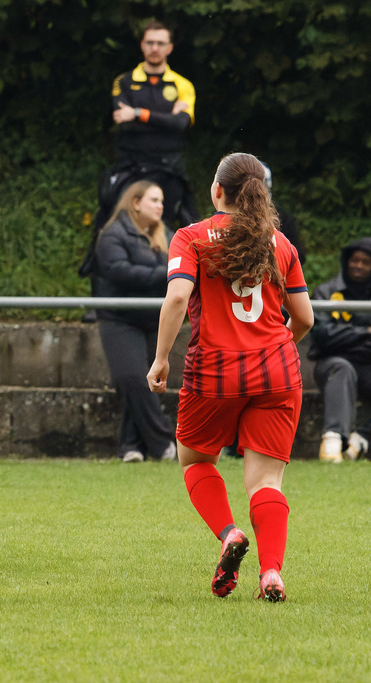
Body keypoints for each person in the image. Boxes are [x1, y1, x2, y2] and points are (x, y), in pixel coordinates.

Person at [147, 152, 313, 603]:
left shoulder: (191, 237)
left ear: (216, 191)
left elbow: (178, 297)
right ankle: (272, 574)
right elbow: (304, 319)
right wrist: (277, 349)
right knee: (265, 483)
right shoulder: (280, 243)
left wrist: (161, 359)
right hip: (277, 371)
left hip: (214, 373)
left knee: (197, 461)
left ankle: (229, 533)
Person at [94, 181, 176, 463]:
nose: (160, 206)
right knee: (131, 378)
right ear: (135, 202)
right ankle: (166, 438)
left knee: (147, 381)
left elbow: (185, 264)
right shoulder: (112, 234)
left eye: (162, 200)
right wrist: (164, 273)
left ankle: (131, 446)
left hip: (153, 318)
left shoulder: (166, 233)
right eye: (154, 200)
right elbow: (119, 271)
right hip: (119, 318)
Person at [106, 21, 197, 230]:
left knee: (185, 227)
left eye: (160, 43)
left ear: (170, 47)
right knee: (115, 224)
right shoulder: (124, 82)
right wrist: (167, 119)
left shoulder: (183, 85)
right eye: (150, 42)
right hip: (132, 166)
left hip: (169, 167)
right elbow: (124, 124)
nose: (155, 48)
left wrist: (137, 113)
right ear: (142, 45)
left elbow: (181, 124)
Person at [308, 238, 371, 463]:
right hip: (331, 363)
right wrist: (365, 332)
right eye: (355, 260)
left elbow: (335, 335)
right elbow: (323, 336)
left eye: (366, 262)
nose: (359, 266)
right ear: (347, 261)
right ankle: (332, 444)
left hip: (367, 367)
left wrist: (344, 335)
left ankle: (359, 441)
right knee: (341, 368)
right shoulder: (326, 291)